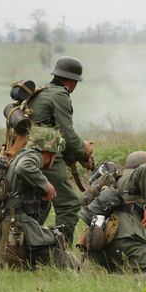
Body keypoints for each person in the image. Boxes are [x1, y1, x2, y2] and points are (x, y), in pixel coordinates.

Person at [0, 126, 79, 270]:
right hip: (19, 226)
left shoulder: (18, 157)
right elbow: (24, 167)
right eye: (55, 154)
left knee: (21, 268)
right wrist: (46, 185)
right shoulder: (33, 156)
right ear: (49, 152)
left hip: (6, 225)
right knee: (67, 258)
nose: (54, 159)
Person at [28, 56, 94, 244]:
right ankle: (61, 251)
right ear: (71, 82)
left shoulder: (42, 91)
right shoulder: (60, 95)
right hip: (46, 156)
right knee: (70, 205)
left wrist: (76, 156)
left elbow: (55, 133)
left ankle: (30, 245)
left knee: (40, 204)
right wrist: (85, 151)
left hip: (28, 155)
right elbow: (67, 133)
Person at [80, 151, 146, 277]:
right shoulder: (138, 177)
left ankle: (112, 278)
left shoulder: (116, 183)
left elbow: (135, 223)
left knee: (123, 271)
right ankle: (116, 280)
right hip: (126, 242)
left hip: (100, 244)